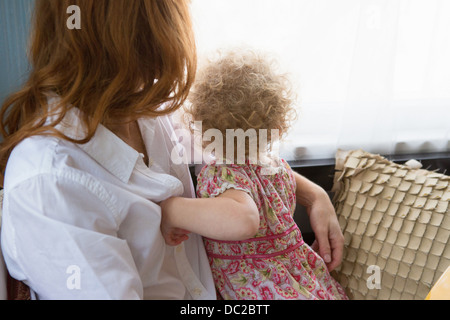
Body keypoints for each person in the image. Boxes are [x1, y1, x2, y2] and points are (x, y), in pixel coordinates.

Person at [0, 0, 343, 300]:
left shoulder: (151, 109)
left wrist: (313, 195)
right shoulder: (50, 186)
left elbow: (237, 156)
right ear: (139, 38)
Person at [160, 50, 348, 300]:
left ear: (202, 129)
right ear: (277, 128)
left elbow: (244, 219)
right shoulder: (277, 167)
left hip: (262, 289)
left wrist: (171, 210)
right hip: (302, 280)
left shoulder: (222, 175)